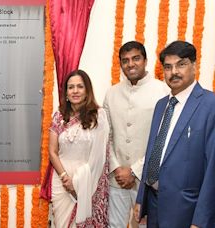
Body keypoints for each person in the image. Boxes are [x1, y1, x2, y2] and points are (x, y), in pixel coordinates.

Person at [135, 41, 215, 227]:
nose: (174, 72)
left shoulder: (210, 105)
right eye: (168, 67)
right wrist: (141, 199)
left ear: (194, 66)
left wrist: (202, 221)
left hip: (187, 211)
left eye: (181, 64)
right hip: (154, 206)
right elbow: (152, 154)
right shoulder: (161, 105)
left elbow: (213, 170)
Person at [104, 41, 168, 228]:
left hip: (147, 178)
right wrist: (117, 168)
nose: (130, 64)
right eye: (125, 60)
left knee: (146, 225)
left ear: (146, 60)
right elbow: (106, 136)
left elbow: (162, 139)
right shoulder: (112, 93)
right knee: (114, 225)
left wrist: (134, 171)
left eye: (136, 58)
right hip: (116, 178)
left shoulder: (162, 91)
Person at [48, 69, 109, 227]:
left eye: (80, 87)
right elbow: (52, 152)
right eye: (71, 87)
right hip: (61, 179)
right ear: (66, 92)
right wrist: (65, 178)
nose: (75, 91)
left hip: (88, 180)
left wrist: (78, 183)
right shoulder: (59, 116)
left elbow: (99, 156)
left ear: (87, 90)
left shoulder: (98, 116)